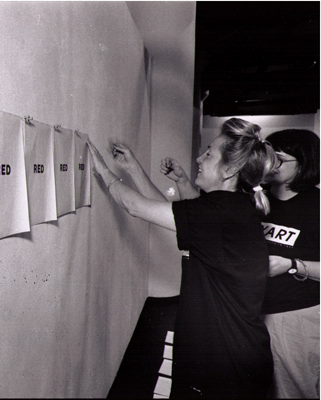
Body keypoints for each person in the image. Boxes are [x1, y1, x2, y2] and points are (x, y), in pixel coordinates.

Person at [88, 118, 276, 399]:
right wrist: (132, 167)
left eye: (208, 154)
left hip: (223, 364)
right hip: (231, 354)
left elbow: (136, 207)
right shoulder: (230, 207)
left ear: (230, 169)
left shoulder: (218, 213)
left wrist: (103, 171)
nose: (199, 159)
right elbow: (167, 212)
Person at [259, 129, 320, 399]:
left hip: (295, 318)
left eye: (279, 159)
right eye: (266, 157)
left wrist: (291, 265)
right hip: (252, 314)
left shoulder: (316, 206)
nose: (270, 165)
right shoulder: (256, 200)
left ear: (303, 164)